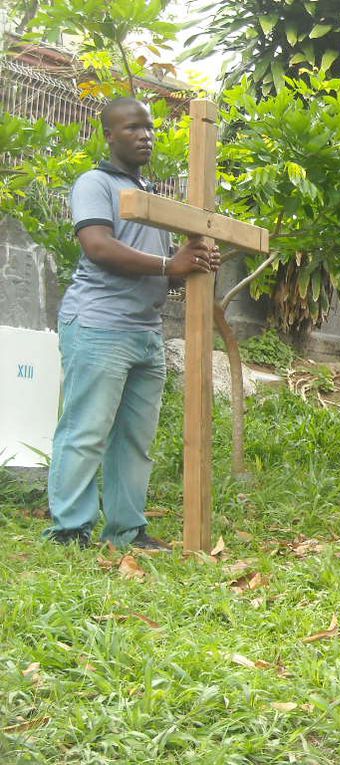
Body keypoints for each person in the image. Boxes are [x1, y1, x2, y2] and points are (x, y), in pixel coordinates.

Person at [45, 97, 221, 550]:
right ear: (108, 135)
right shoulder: (95, 183)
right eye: (131, 128)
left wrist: (195, 262)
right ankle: (70, 529)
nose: (145, 135)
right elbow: (99, 248)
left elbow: (168, 266)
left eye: (149, 128)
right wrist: (170, 265)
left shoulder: (152, 200)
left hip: (145, 331)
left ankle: (126, 529)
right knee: (86, 430)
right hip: (99, 325)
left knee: (135, 439)